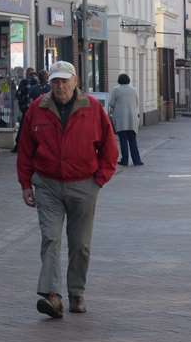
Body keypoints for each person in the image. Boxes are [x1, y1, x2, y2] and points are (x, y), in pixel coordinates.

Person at [16, 60, 118, 319]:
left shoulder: (93, 108)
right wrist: (26, 183)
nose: (59, 86)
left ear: (75, 81)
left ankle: (76, 292)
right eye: (55, 81)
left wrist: (99, 180)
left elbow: (109, 148)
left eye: (64, 81)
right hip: (48, 184)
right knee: (50, 238)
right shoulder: (37, 109)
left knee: (80, 244)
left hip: (84, 184)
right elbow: (26, 149)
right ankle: (52, 296)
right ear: (49, 83)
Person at [108, 73, 143, 166]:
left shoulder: (116, 90)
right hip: (132, 119)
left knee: (123, 140)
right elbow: (137, 102)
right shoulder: (134, 90)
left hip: (121, 119)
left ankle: (125, 160)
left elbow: (111, 103)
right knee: (132, 140)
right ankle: (137, 160)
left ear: (119, 80)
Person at [11, 69, 42, 154]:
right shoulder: (39, 84)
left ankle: (19, 145)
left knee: (23, 127)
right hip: (37, 110)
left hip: (27, 109)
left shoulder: (24, 82)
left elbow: (18, 94)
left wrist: (23, 105)